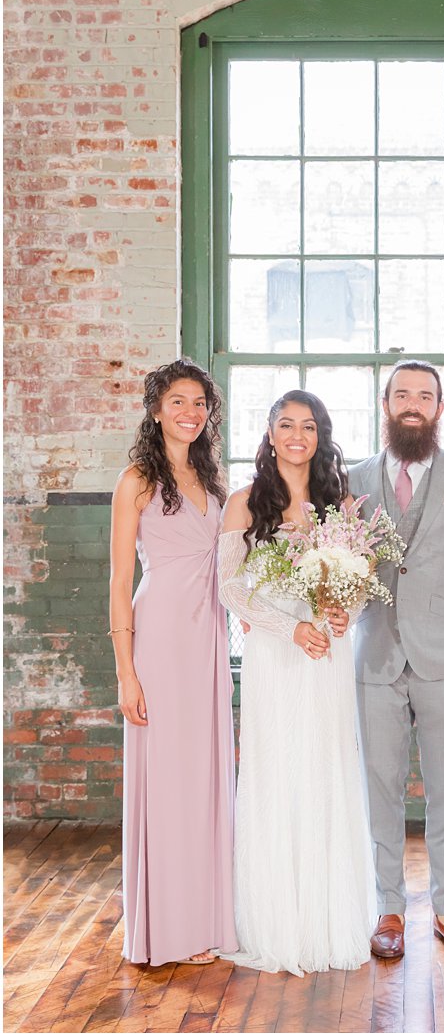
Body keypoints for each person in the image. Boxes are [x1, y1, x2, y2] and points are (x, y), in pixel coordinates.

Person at [216, 389, 375, 975]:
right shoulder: (242, 503)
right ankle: (277, 922)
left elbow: (357, 579)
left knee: (325, 770)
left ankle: (328, 919)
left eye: (309, 426)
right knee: (278, 770)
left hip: (326, 657)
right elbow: (232, 588)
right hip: (275, 655)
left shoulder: (343, 504)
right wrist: (292, 628)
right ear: (270, 433)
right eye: (286, 424)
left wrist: (342, 614)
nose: (297, 435)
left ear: (321, 435)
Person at [348, 360, 444, 961]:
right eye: (402, 394)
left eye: (426, 396)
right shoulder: (351, 479)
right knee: (380, 787)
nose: (414, 404)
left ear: (440, 408)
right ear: (385, 404)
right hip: (376, 655)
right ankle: (388, 908)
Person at [109, 358, 237, 967]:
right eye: (178, 401)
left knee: (204, 775)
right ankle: (166, 929)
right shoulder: (136, 479)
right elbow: (117, 580)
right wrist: (125, 671)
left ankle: (205, 920)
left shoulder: (215, 480)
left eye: (199, 403)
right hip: (158, 634)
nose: (190, 413)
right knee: (166, 780)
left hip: (209, 632)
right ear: (156, 408)